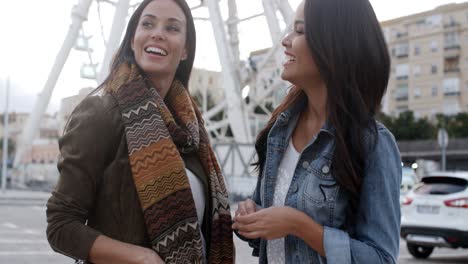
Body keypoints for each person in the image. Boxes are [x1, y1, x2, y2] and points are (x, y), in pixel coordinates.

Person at [46, 0, 234, 263]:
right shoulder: (100, 115)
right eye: (148, 23)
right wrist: (138, 257)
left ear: (185, 50)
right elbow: (60, 225)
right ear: (133, 39)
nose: (158, 33)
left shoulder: (192, 130)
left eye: (172, 28)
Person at [232, 0, 402, 263]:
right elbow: (273, 240)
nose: (286, 41)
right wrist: (252, 218)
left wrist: (300, 226)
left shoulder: (373, 145)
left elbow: (381, 257)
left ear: (334, 45)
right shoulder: (278, 132)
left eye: (300, 31)